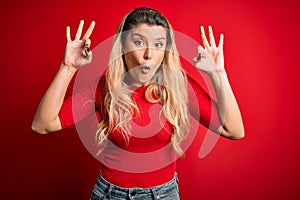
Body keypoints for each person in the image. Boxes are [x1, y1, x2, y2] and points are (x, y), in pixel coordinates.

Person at [32, 7, 244, 200]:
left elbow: (233, 130)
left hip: (164, 195)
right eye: (139, 42)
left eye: (158, 44)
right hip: (109, 195)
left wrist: (218, 73)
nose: (148, 55)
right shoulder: (103, 87)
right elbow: (43, 124)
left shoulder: (180, 86)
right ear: (123, 45)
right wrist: (68, 67)